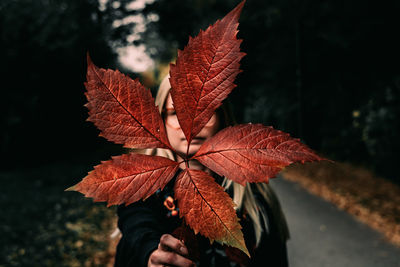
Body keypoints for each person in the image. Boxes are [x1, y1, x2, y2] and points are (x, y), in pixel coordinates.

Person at [114, 75, 290, 267]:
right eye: (176, 112)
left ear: (223, 117)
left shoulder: (255, 197)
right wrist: (151, 255)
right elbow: (138, 225)